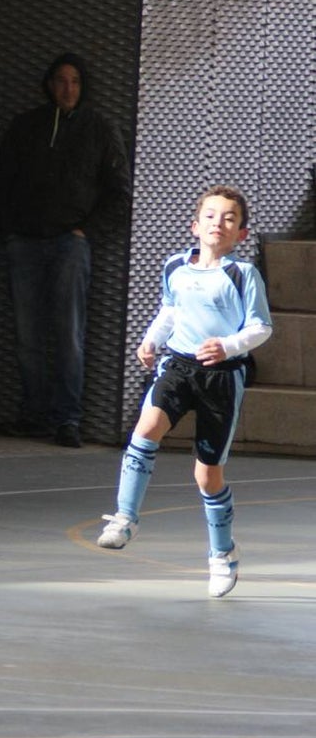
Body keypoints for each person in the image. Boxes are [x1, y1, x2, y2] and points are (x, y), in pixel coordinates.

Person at [96, 186, 272, 598]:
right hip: (177, 366)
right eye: (210, 215)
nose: (218, 223)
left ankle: (222, 553)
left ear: (241, 233)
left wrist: (227, 345)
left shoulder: (242, 274)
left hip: (221, 377)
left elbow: (261, 327)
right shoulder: (175, 265)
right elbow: (170, 310)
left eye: (229, 218)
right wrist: (151, 340)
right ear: (195, 225)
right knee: (146, 429)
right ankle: (125, 517)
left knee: (207, 475)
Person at [0, 52, 132, 447]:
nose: (67, 89)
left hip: (70, 244)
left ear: (83, 86)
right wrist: (8, 232)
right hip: (25, 242)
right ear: (49, 85)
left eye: (75, 82)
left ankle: (68, 419)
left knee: (69, 334)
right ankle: (34, 415)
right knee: (27, 334)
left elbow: (119, 192)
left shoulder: (99, 128)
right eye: (60, 81)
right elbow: (0, 182)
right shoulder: (25, 126)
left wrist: (86, 232)